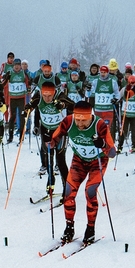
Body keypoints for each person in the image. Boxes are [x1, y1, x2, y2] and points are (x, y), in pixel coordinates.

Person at [50, 101, 115, 245]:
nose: (79, 124)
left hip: (98, 161)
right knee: (68, 193)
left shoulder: (99, 125)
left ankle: (90, 229)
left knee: (90, 191)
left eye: (83, 120)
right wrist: (49, 141)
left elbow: (112, 153)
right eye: (77, 120)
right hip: (79, 160)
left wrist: (102, 144)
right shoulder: (68, 121)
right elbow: (53, 139)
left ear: (90, 116)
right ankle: (69, 227)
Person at [28, 80, 73, 194]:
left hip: (60, 132)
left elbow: (73, 105)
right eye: (45, 95)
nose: (47, 98)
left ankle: (66, 189)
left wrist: (62, 105)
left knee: (60, 160)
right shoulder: (38, 95)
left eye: (50, 96)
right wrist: (27, 111)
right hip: (46, 130)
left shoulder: (60, 96)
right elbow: (33, 107)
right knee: (48, 158)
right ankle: (50, 180)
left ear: (54, 93)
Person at [4, 59, 31, 144]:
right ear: (13, 66)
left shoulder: (23, 73)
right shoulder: (10, 73)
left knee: (22, 117)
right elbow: (3, 82)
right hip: (12, 99)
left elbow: (28, 83)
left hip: (21, 99)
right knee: (12, 117)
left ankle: (21, 137)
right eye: (15, 65)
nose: (16, 67)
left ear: (20, 66)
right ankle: (10, 137)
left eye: (18, 65)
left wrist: (29, 88)